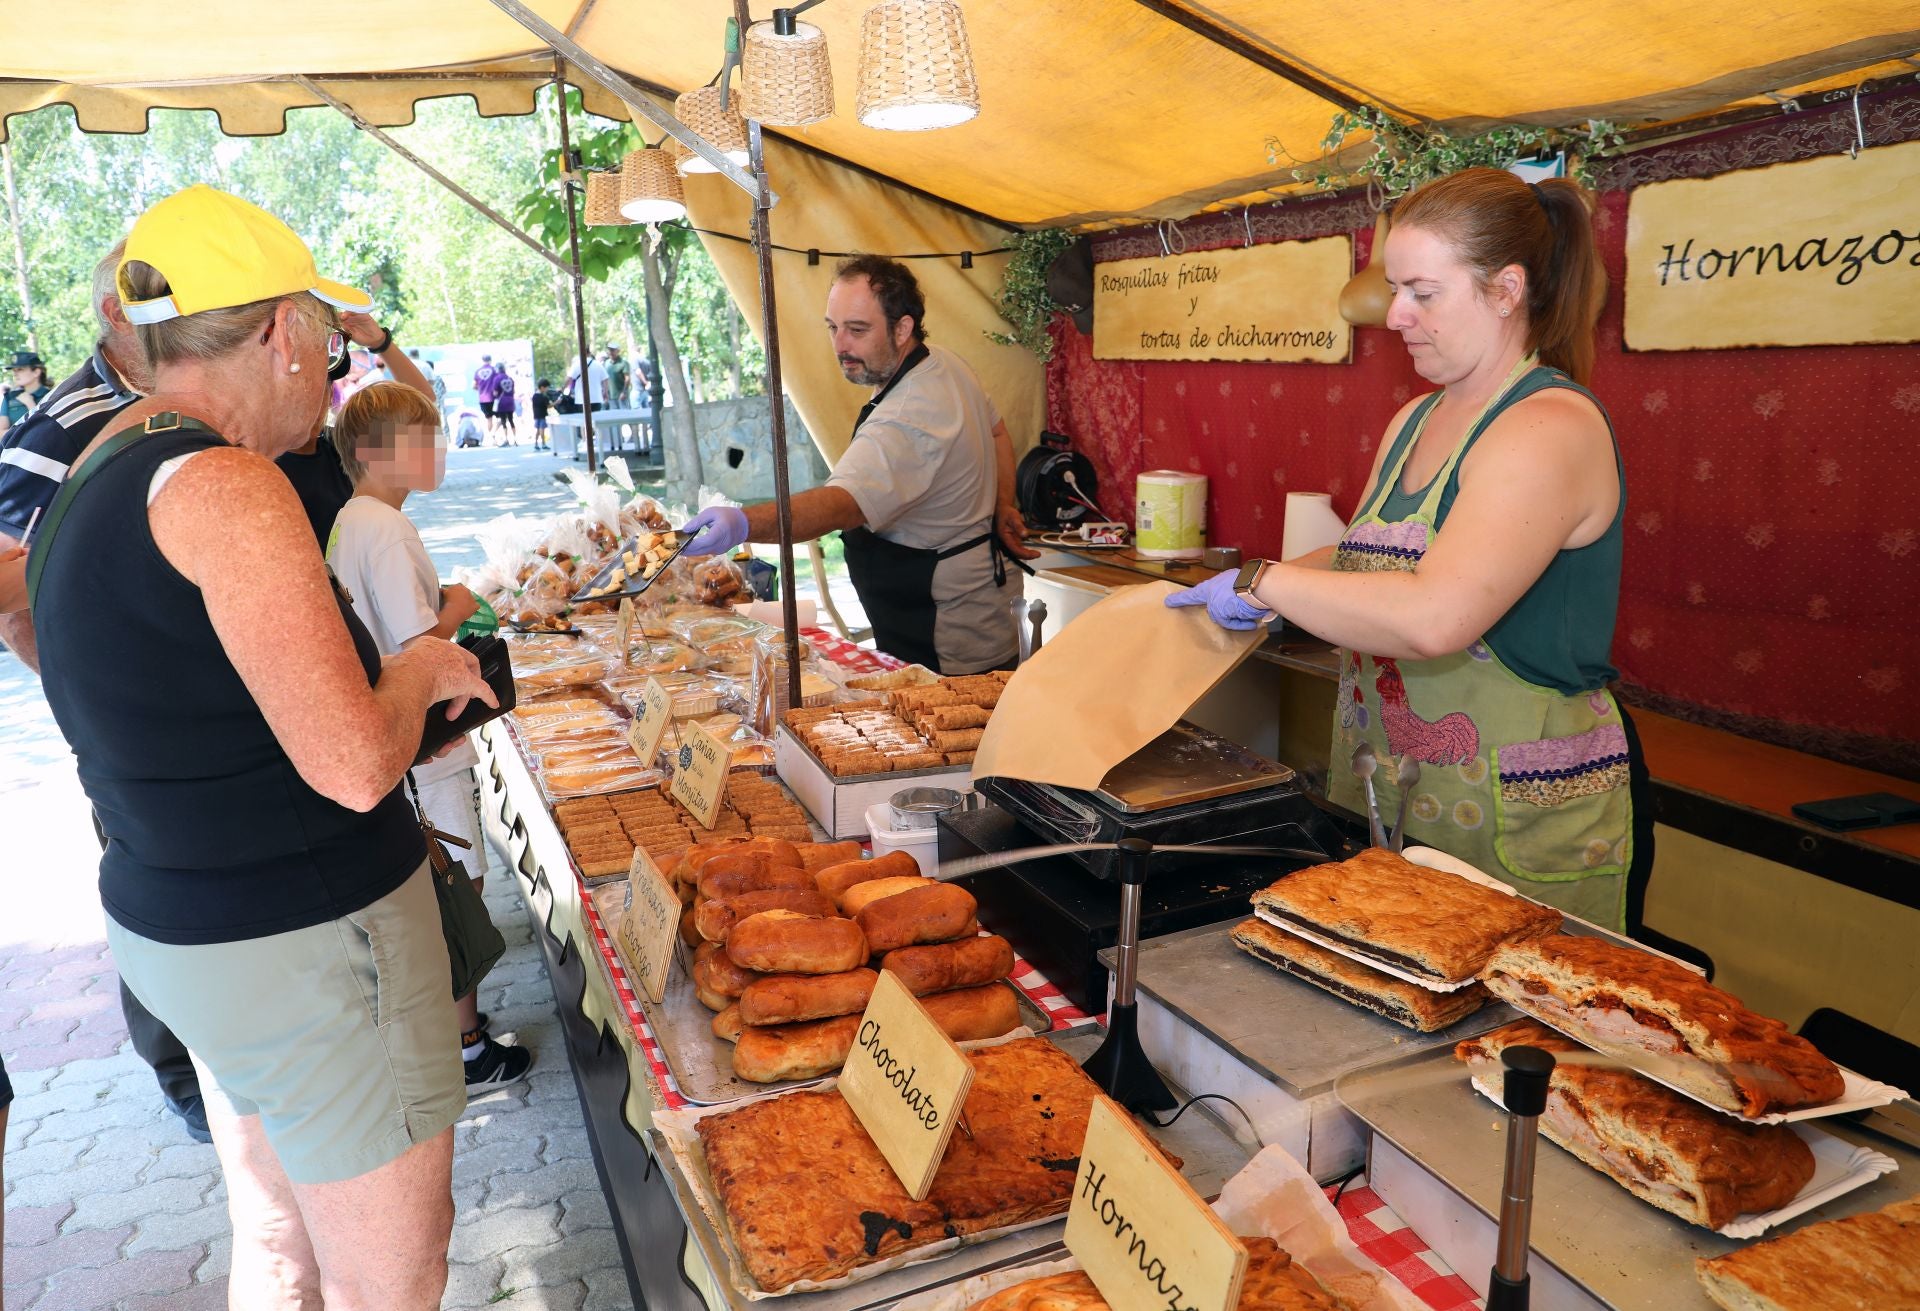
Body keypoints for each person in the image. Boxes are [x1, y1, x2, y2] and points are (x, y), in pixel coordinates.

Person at [30, 184, 492, 1309]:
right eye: (329, 337)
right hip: (307, 944)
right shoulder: (230, 485)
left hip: (186, 928)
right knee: (390, 1277)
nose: (332, 367)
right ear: (285, 329)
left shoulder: (98, 466)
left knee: (280, 1240)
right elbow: (353, 764)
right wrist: (423, 668)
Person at [1166, 168, 1646, 932]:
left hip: (1508, 819)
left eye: (1422, 292)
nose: (1394, 315)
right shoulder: (1414, 421)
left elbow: (1434, 617)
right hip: (1394, 790)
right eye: (1395, 289)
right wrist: (1251, 586)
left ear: (1506, 290)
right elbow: (1365, 561)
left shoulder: (1549, 427)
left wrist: (1267, 583)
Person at [0, 242, 218, 1142]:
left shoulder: (168, 398)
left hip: (198, 711)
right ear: (118, 315)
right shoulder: (62, 426)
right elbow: (11, 588)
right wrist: (96, 696)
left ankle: (216, 1053)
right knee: (152, 879)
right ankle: (180, 1071)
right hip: (136, 725)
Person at [682, 255, 1038, 674]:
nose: (840, 346)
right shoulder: (941, 361)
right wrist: (1003, 505)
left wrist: (743, 524)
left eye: (857, 329)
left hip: (948, 630)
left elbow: (841, 505)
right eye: (833, 327)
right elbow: (997, 431)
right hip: (974, 603)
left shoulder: (908, 414)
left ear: (902, 328)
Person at [327, 382, 534, 1093]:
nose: (436, 450)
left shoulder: (354, 519)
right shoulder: (385, 527)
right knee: (456, 877)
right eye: (420, 439)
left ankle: (449, 1027)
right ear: (370, 451)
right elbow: (420, 645)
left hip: (401, 732)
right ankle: (466, 1046)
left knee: (441, 876)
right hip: (426, 743)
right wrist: (459, 603)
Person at [278, 315, 437, 548]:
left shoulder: (338, 446)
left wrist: (381, 343)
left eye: (323, 387)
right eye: (301, 390)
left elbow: (422, 405)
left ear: (331, 394)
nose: (314, 401)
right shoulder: (261, 460)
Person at [0, 349, 53, 437]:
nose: (15, 374)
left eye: (20, 369)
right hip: (15, 446)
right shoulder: (10, 397)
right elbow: (1, 433)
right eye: (14, 370)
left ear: (36, 372)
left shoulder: (51, 396)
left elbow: (49, 431)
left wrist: (31, 406)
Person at [561, 349, 608, 414]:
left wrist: (563, 389)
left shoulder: (577, 365)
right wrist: (605, 392)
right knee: (596, 417)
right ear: (589, 353)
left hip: (581, 399)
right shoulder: (598, 364)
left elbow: (569, 379)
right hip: (596, 398)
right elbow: (605, 379)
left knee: (584, 418)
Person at [473, 354, 501, 441]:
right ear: (490, 360)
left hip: (482, 399)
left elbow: (474, 386)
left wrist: (481, 389)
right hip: (493, 398)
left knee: (489, 419)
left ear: (482, 360)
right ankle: (493, 434)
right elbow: (498, 383)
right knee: (500, 417)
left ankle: (490, 438)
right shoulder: (494, 370)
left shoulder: (477, 371)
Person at [492, 370, 518, 444]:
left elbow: (495, 393)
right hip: (510, 402)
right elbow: (514, 391)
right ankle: (515, 439)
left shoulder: (497, 378)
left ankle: (506, 439)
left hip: (502, 403)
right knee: (511, 420)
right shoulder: (510, 379)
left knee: (503, 421)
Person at [603, 343, 631, 409]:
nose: (611, 352)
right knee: (613, 414)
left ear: (618, 351)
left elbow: (627, 379)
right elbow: (605, 379)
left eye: (613, 350)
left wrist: (624, 392)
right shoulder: (606, 363)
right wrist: (605, 392)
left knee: (624, 413)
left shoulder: (624, 363)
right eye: (609, 350)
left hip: (621, 396)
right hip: (611, 396)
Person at [531, 377, 554, 451]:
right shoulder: (543, 397)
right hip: (542, 415)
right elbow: (549, 406)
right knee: (542, 430)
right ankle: (543, 444)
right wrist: (556, 402)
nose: (547, 389)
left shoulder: (534, 396)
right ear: (542, 387)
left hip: (536, 415)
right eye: (546, 388)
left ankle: (536, 444)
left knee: (538, 430)